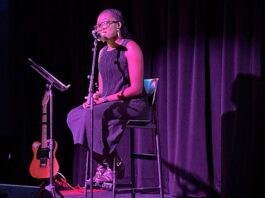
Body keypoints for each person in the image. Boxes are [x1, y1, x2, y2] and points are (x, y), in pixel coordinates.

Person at [66, 8, 148, 184]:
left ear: (118, 25)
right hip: (108, 103)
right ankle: (108, 161)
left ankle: (107, 165)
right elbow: (103, 88)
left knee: (92, 114)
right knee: (75, 115)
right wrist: (95, 97)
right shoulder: (102, 53)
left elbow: (136, 88)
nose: (100, 28)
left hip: (132, 103)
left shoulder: (130, 47)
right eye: (98, 24)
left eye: (105, 23)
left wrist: (104, 100)